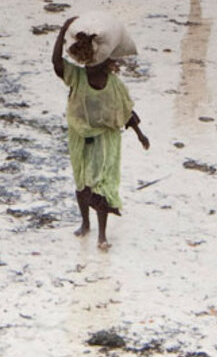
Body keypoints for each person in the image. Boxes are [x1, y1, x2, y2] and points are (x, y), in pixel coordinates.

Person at [52, 15, 150, 245]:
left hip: (106, 139)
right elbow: (57, 63)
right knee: (82, 184)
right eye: (110, 64)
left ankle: (102, 235)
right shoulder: (77, 77)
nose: (113, 67)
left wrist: (140, 134)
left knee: (101, 187)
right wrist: (62, 31)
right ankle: (85, 223)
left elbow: (125, 112)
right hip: (79, 135)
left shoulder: (115, 85)